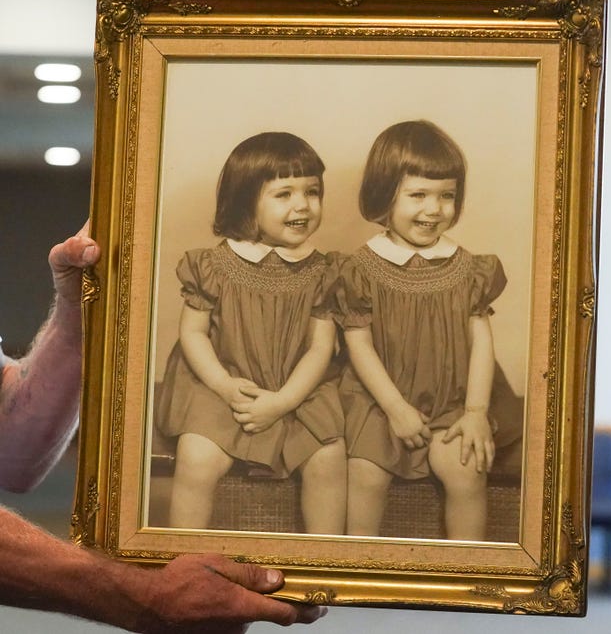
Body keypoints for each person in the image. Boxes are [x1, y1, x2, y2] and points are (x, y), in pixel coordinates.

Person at [0, 223, 326, 632]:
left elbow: (13, 453)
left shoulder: (322, 272)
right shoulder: (212, 267)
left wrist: (79, 308)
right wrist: (143, 593)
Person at [156, 132, 346, 534]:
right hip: (221, 380)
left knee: (329, 457)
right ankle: (185, 559)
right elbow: (193, 334)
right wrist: (224, 386)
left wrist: (283, 401)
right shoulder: (214, 264)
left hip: (296, 385)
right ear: (246, 200)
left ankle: (323, 564)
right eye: (284, 194)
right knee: (197, 458)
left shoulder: (324, 271)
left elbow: (320, 348)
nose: (303, 205)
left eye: (312, 192)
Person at [337, 120, 507, 540]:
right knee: (366, 474)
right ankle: (360, 570)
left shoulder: (470, 268)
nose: (434, 210)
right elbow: (358, 345)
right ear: (384, 194)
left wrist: (475, 413)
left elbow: (482, 342)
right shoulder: (360, 268)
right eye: (418, 196)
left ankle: (468, 577)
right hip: (379, 400)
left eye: (446, 196)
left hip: (451, 401)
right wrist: (396, 409)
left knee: (466, 470)